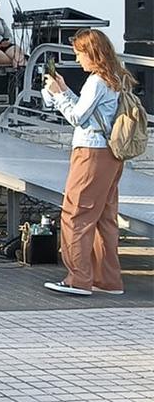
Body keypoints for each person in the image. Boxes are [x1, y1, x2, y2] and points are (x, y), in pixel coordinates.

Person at [40, 28, 131, 296]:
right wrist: (65, 90)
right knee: (105, 217)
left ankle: (78, 279)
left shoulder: (96, 81)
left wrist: (57, 95)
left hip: (91, 152)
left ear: (91, 53)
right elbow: (90, 112)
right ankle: (108, 279)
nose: (78, 59)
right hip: (111, 154)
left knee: (75, 214)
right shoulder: (114, 77)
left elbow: (78, 118)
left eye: (80, 53)